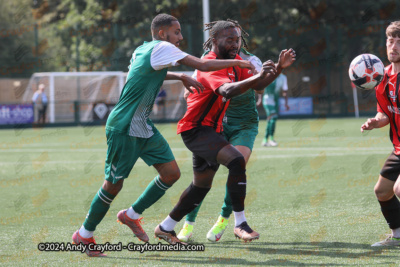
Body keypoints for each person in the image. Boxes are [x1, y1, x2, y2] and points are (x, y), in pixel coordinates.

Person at [71, 14, 256, 257]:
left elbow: (145, 72)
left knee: (171, 174)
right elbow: (201, 65)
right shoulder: (163, 47)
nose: (180, 37)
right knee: (113, 185)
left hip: (143, 125)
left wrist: (179, 76)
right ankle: (83, 235)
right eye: (177, 32)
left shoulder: (143, 49)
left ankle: (131, 214)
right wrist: (239, 64)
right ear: (162, 34)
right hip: (124, 126)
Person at [154, 20, 296, 244]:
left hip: (211, 130)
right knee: (237, 161)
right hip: (196, 129)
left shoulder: (237, 61)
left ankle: (165, 227)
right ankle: (240, 223)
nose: (235, 43)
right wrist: (257, 75)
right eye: (229, 39)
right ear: (214, 40)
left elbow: (258, 86)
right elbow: (227, 91)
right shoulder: (209, 63)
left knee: (200, 186)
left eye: (237, 39)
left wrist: (278, 68)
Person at [361, 21, 400, 247]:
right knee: (383, 191)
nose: (393, 46)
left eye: (398, 42)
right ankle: (397, 235)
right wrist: (375, 122)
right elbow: (385, 113)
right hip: (398, 148)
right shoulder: (381, 77)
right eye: (390, 41)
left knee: (398, 188)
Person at [257, 73, 289, 147]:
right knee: (273, 118)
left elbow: (285, 91)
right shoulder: (268, 75)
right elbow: (261, 87)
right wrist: (260, 99)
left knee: (270, 120)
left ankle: (265, 139)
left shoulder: (283, 77)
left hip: (275, 101)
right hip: (267, 100)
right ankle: (271, 139)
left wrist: (286, 103)